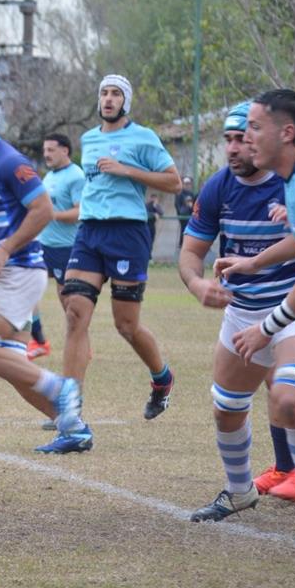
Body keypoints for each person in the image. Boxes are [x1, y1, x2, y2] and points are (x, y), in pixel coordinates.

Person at [44, 74, 183, 454]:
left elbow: (173, 182)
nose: (108, 99)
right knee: (74, 314)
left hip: (127, 234)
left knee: (126, 325)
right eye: (104, 92)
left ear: (126, 101)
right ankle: (70, 419)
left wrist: (127, 171)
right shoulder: (89, 139)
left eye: (115, 93)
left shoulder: (144, 138)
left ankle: (162, 378)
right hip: (90, 232)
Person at [0, 92, 87, 452]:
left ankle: (62, 387)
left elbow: (41, 210)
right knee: (13, 367)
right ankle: (72, 428)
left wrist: (5, 248)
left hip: (21, 268)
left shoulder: (10, 161)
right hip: (2, 272)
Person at [179, 100, 295, 524]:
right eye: (227, 139)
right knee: (226, 405)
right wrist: (196, 284)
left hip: (293, 307)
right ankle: (239, 491)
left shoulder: (291, 182)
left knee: (288, 398)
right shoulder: (218, 187)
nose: (233, 148)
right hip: (242, 312)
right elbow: (190, 253)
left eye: (243, 137)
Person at [31, 133, 86, 364]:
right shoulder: (49, 176)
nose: (46, 154)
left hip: (66, 247)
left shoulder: (76, 176)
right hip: (43, 244)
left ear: (65, 151)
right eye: (45, 150)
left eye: (51, 150)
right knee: (28, 287)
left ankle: (81, 343)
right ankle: (38, 340)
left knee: (68, 302)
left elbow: (79, 212)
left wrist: (51, 214)